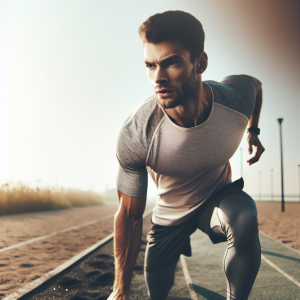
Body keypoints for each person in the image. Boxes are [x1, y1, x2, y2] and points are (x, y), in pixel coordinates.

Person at [108, 10, 265, 300]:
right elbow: (129, 215)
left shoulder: (234, 101)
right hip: (169, 215)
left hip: (216, 197)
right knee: (157, 289)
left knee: (244, 217)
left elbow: (254, 85)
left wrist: (253, 130)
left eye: (171, 63)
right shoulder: (137, 133)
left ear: (200, 62)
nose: (159, 78)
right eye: (150, 65)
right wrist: (120, 290)